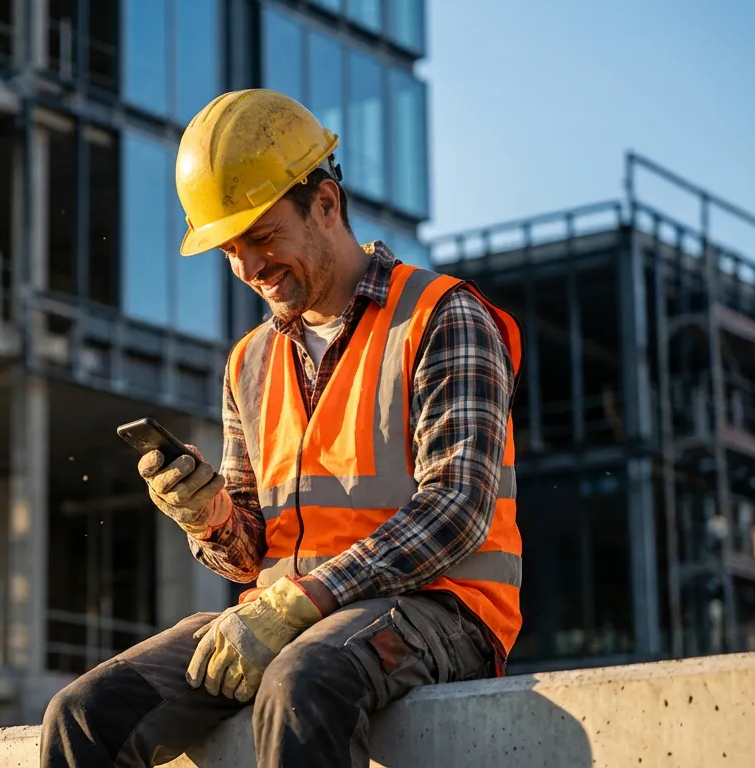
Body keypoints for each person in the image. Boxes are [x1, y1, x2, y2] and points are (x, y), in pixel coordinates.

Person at [40, 89, 524, 768]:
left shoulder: (442, 316)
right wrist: (207, 516)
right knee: (83, 716)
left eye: (262, 237)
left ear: (325, 204)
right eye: (231, 251)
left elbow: (456, 509)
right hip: (287, 619)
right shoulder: (250, 361)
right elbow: (248, 555)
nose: (249, 269)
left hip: (440, 610)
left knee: (303, 683)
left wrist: (299, 604)